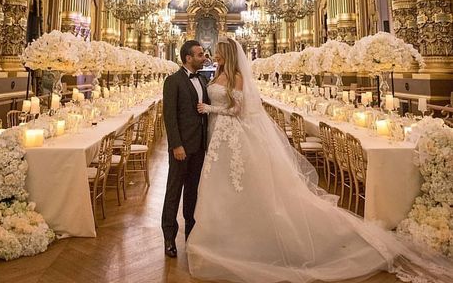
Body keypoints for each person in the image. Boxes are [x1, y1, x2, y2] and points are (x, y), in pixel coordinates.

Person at [187, 38, 453, 283]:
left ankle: (246, 235)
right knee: (223, 184)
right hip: (219, 135)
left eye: (219, 52)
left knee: (241, 181)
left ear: (228, 54)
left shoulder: (235, 76)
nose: (214, 55)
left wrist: (211, 108)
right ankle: (228, 233)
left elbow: (239, 109)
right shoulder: (217, 74)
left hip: (232, 133)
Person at [161, 40, 209, 259]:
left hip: (199, 146)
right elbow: (169, 117)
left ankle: (191, 232)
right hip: (182, 147)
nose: (204, 57)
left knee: (192, 191)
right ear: (188, 58)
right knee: (174, 191)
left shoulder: (202, 79)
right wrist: (176, 145)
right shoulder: (173, 81)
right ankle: (169, 237)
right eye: (200, 55)